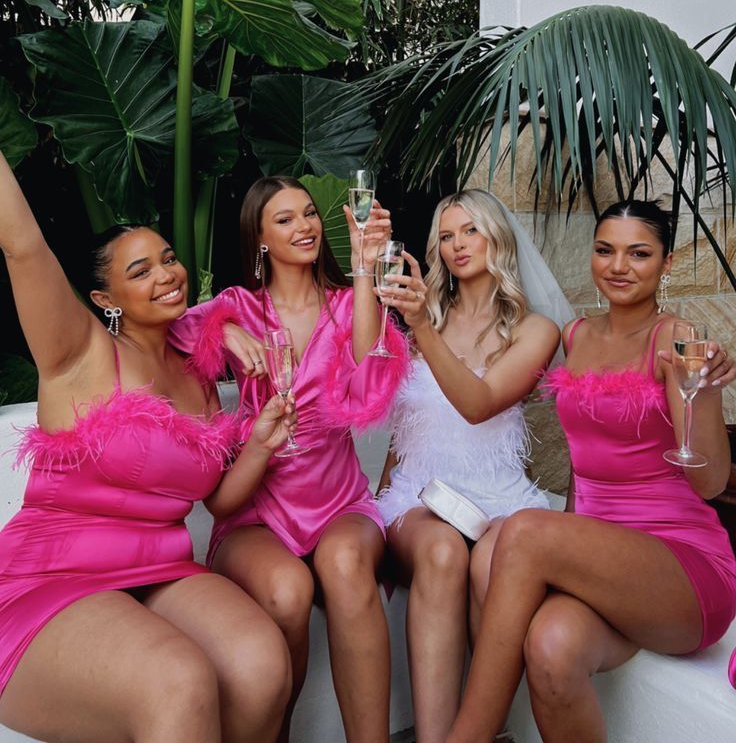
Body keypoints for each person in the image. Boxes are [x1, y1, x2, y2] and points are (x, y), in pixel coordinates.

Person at [0, 150, 293, 743]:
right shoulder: (78, 352)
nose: (166, 275)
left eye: (168, 258)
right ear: (106, 300)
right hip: (53, 578)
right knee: (177, 678)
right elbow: (24, 244)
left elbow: (219, 501)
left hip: (161, 568)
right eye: (140, 272)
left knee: (262, 663)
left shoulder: (200, 373)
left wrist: (259, 444)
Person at [446, 200, 736, 743]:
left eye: (639, 253)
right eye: (605, 250)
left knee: (524, 531)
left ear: (667, 264)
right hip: (605, 565)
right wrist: (574, 547)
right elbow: (584, 467)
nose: (619, 266)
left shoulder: (674, 337)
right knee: (552, 648)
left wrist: (708, 394)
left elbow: (710, 482)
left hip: (682, 570)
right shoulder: (576, 336)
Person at [168, 175, 410, 743]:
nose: (303, 226)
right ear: (259, 238)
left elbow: (368, 382)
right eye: (284, 219)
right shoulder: (237, 307)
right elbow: (162, 329)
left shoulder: (350, 303)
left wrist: (366, 266)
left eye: (307, 214)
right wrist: (222, 332)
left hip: (340, 500)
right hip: (258, 507)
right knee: (285, 593)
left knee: (347, 567)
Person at [374, 189, 569, 743]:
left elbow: (479, 404)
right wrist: (380, 498)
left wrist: (421, 330)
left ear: (497, 238)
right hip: (419, 492)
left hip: (499, 494)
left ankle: (484, 731)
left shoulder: (535, 330)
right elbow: (403, 427)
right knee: (439, 551)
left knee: (497, 561)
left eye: (470, 231)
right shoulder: (423, 315)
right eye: (446, 235)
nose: (457, 245)